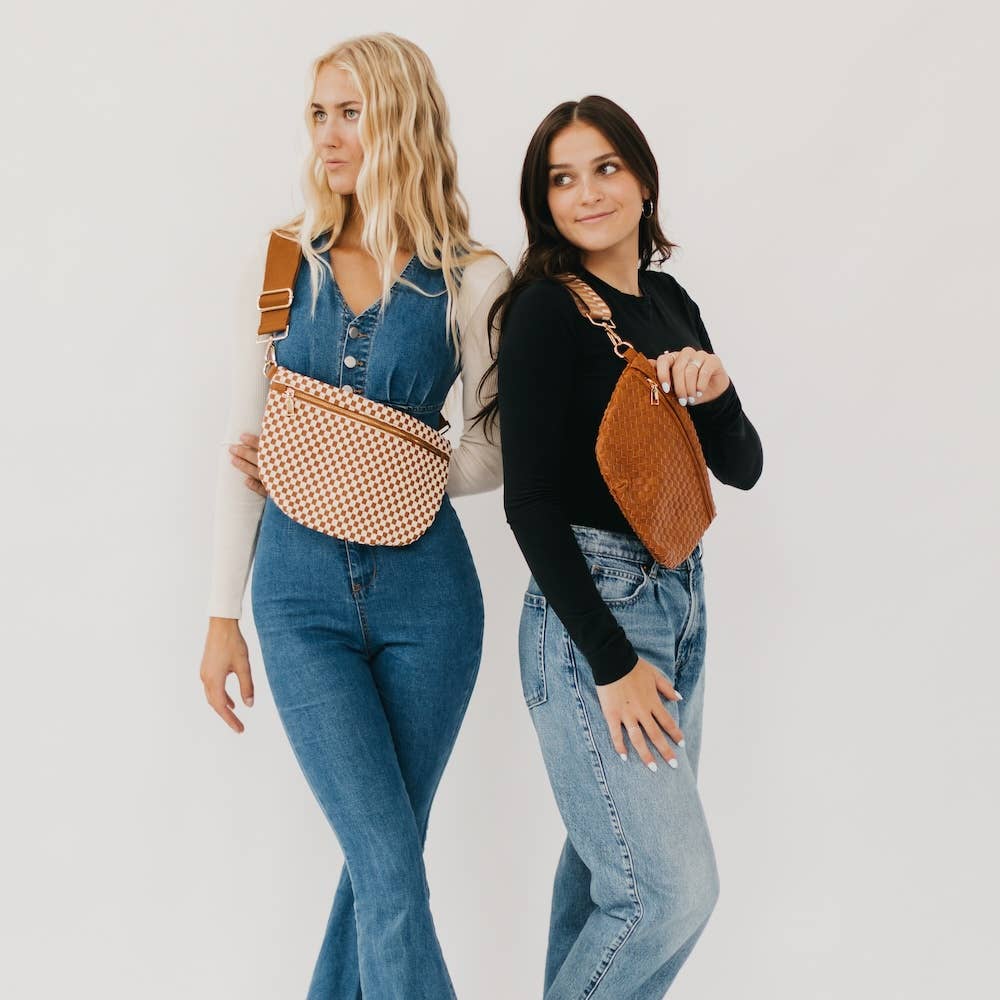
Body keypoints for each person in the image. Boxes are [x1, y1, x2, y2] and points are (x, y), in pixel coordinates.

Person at [197, 33, 509, 1000]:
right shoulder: (285, 258)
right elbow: (249, 448)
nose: (329, 134)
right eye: (319, 113)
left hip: (431, 604)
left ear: (402, 118)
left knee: (384, 868)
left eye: (351, 111)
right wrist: (221, 616)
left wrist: (367, 464)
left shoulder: (476, 275)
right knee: (386, 863)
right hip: (297, 603)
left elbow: (494, 447)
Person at [480, 95, 764, 998]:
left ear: (642, 180)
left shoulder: (673, 302)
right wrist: (609, 662)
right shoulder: (544, 313)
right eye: (562, 179)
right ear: (544, 203)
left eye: (605, 168)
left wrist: (714, 389)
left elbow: (743, 466)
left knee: (614, 881)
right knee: (669, 892)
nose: (587, 193)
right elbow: (527, 506)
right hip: (592, 622)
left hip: (681, 602)